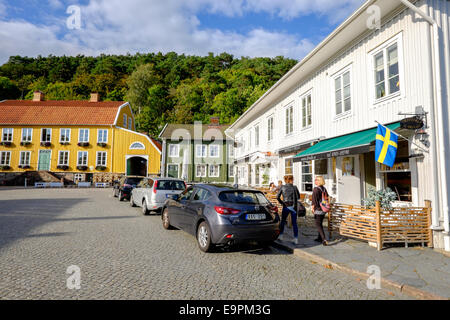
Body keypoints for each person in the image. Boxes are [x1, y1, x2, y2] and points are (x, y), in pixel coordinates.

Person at [276, 175, 300, 245]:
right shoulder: (294, 187)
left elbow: (277, 196)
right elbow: (298, 197)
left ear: (285, 180)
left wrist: (282, 203)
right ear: (291, 180)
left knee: (283, 221)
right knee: (294, 223)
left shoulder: (282, 187)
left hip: (285, 206)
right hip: (293, 206)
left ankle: (281, 236)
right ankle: (296, 239)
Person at [312, 175, 329, 246]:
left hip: (318, 209)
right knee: (320, 223)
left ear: (319, 181)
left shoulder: (316, 189)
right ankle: (319, 237)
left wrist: (313, 208)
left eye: (316, 180)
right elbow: (327, 197)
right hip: (324, 208)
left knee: (318, 224)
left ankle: (324, 239)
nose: (315, 181)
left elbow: (314, 200)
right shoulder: (324, 189)